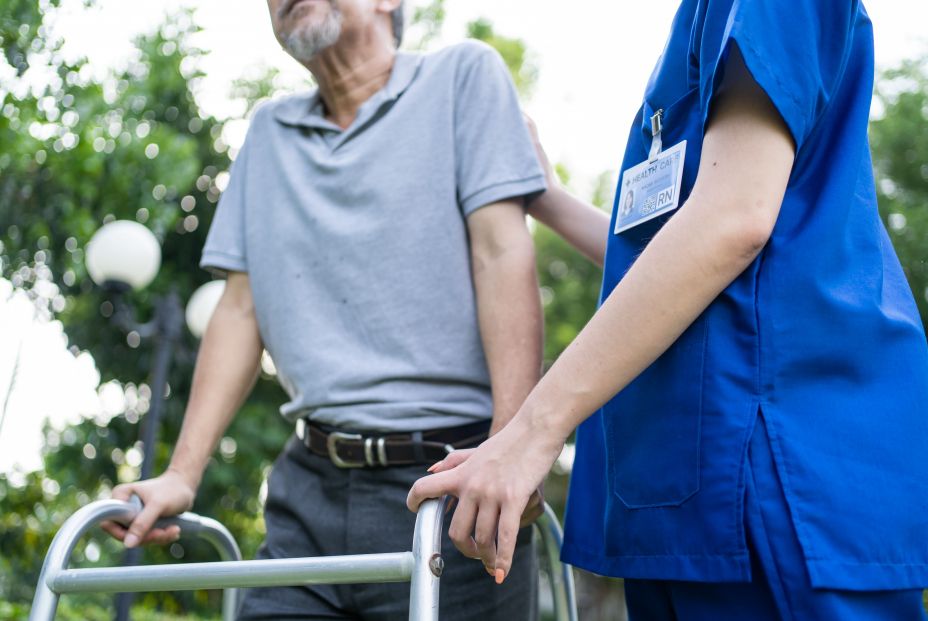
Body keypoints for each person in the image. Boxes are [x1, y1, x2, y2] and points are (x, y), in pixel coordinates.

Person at [409, 1, 928, 618]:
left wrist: (527, 434)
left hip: (780, 480)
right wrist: (550, 198)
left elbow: (732, 222)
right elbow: (671, 256)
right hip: (686, 497)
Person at [101, 0, 550, 618]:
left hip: (454, 481)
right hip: (306, 490)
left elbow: (503, 254)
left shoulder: (462, 77)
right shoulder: (267, 132)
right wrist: (181, 473)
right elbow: (239, 311)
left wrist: (513, 449)